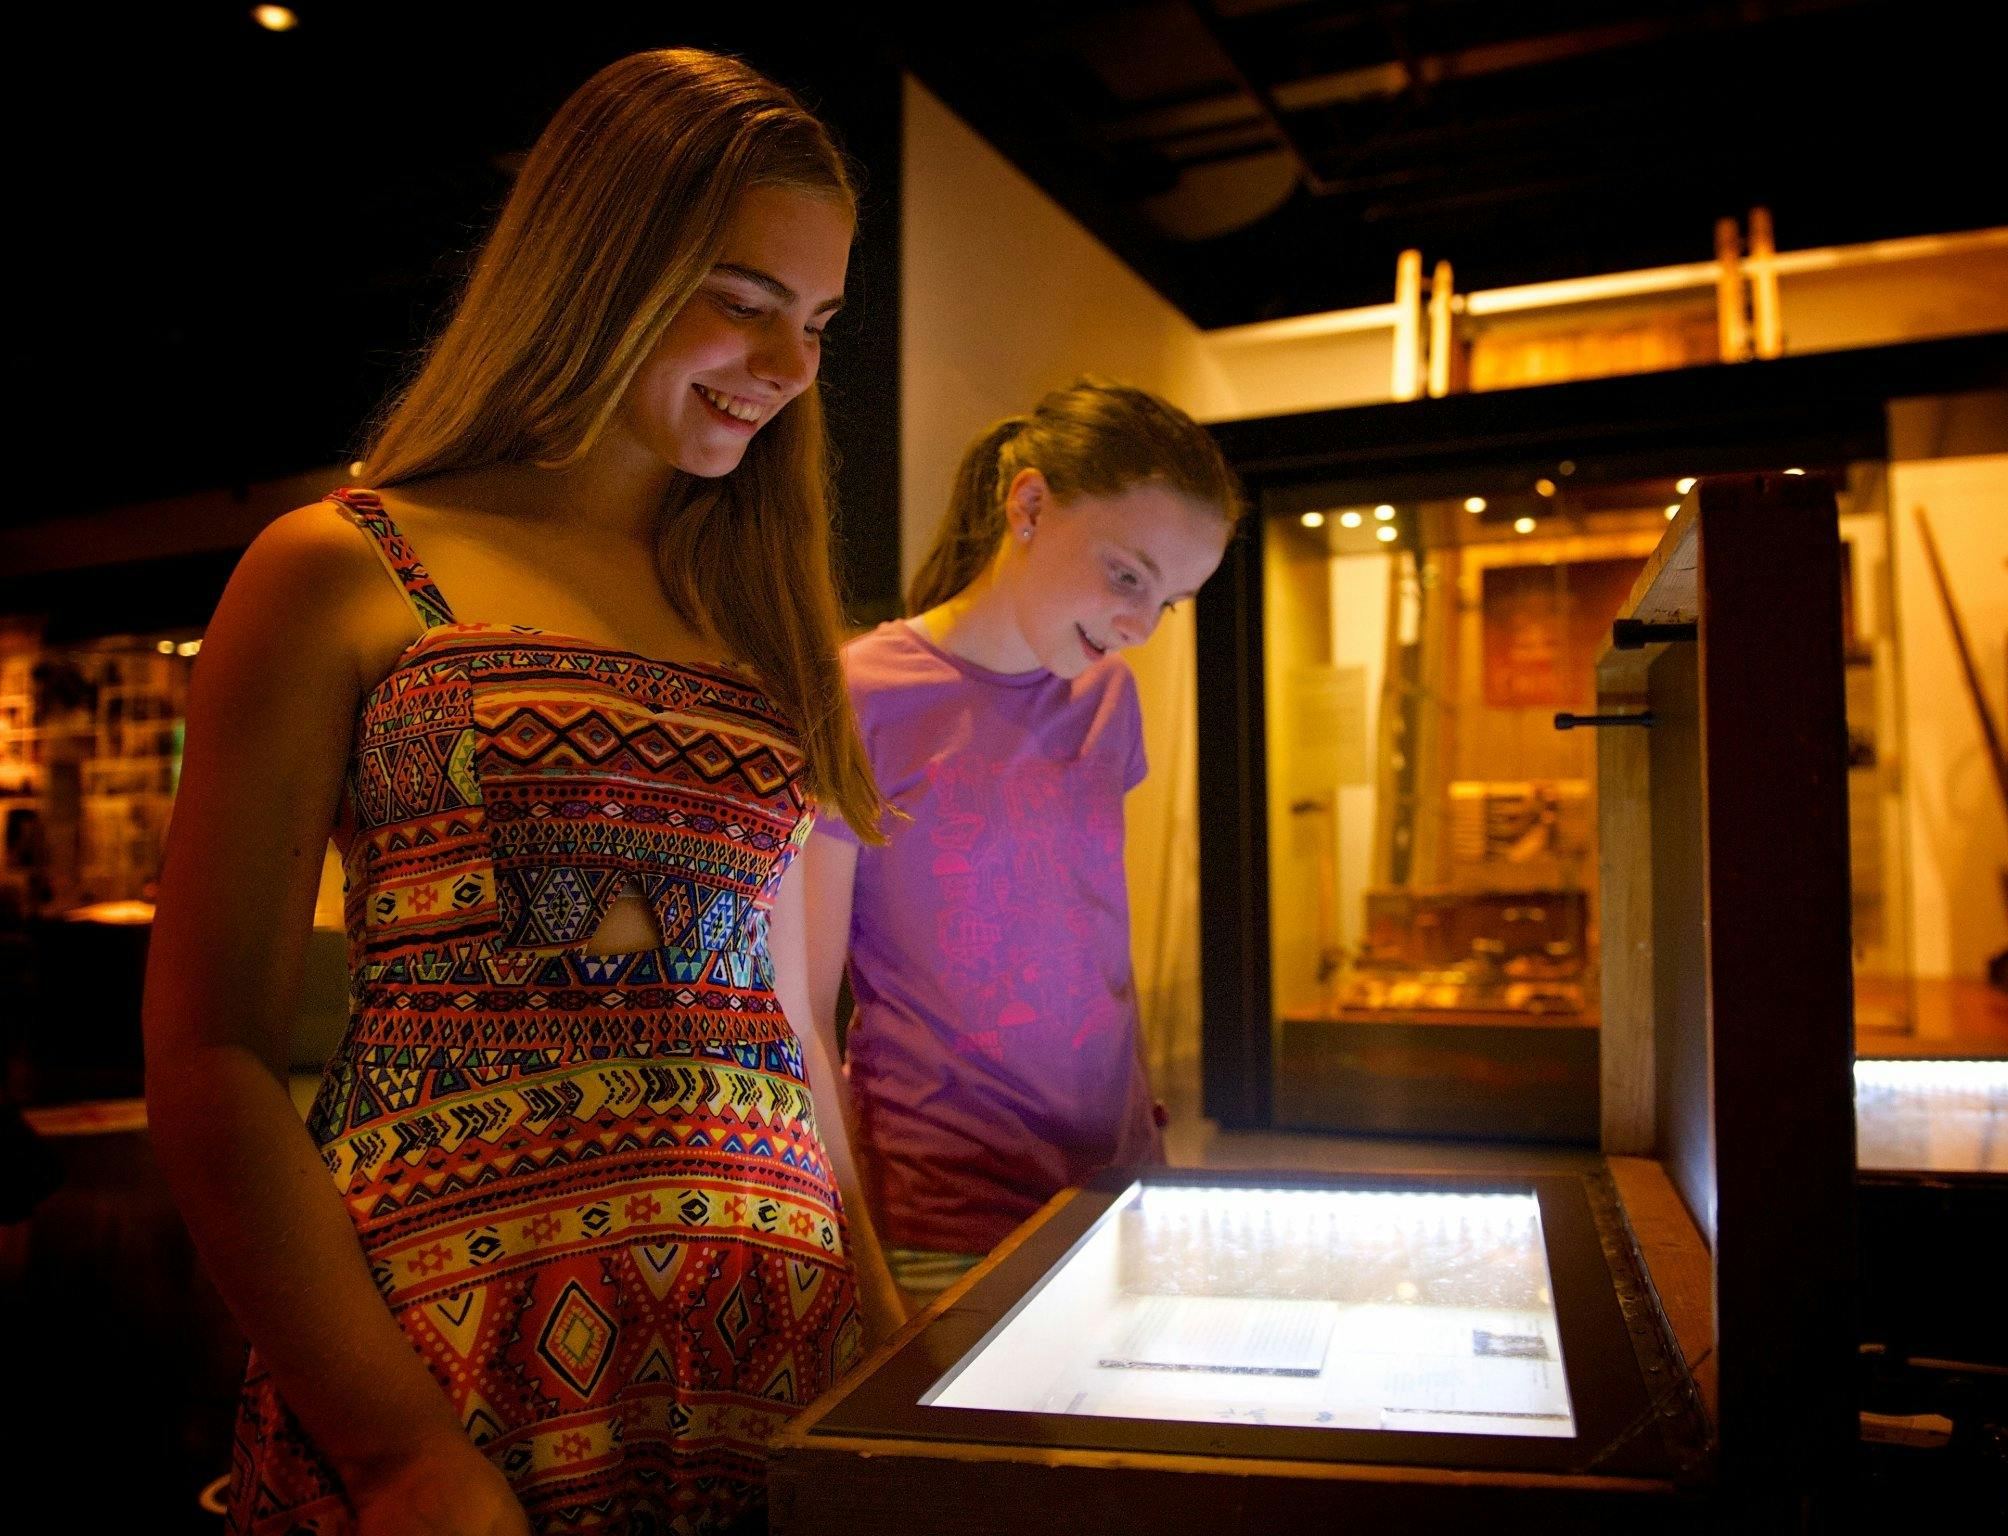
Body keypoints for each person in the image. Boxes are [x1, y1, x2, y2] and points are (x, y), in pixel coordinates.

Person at [142, 49, 904, 1536]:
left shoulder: (757, 613)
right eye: (744, 301)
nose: (792, 365)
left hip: (766, 1342)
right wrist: (395, 1450)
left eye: (816, 321)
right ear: (596, 266)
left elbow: (790, 1018)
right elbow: (213, 1052)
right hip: (454, 1350)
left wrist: (877, 1319)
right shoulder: (346, 566)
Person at [798, 380, 1240, 1310]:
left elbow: (1094, 950)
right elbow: (803, 999)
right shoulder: (861, 693)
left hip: (1118, 1187)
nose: (1139, 627)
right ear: (1029, 505)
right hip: (944, 1210)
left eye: (1171, 601)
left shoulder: (1106, 699)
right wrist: (852, 1238)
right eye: (1128, 576)